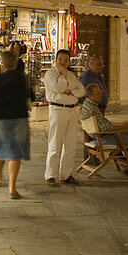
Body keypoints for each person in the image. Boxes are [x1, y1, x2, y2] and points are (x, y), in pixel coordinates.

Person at [0, 50, 32, 198]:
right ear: (16, 63)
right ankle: (12, 187)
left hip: (0, 119)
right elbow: (30, 96)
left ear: (2, 63)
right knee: (15, 152)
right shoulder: (23, 78)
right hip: (19, 118)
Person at [42, 48, 87, 186]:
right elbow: (59, 89)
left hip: (72, 110)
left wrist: (70, 92)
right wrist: (63, 78)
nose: (63, 62)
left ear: (69, 61)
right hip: (57, 110)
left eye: (65, 60)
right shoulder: (50, 74)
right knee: (55, 142)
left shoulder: (71, 75)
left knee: (70, 144)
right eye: (60, 59)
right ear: (56, 60)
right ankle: (50, 174)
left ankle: (66, 174)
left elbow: (81, 91)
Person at [80, 83, 128, 173]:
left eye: (100, 92)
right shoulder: (92, 109)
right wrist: (122, 126)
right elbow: (105, 129)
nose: (101, 94)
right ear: (90, 96)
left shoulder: (87, 105)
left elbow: (103, 124)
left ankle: (120, 154)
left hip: (101, 135)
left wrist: (121, 126)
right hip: (104, 138)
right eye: (98, 93)